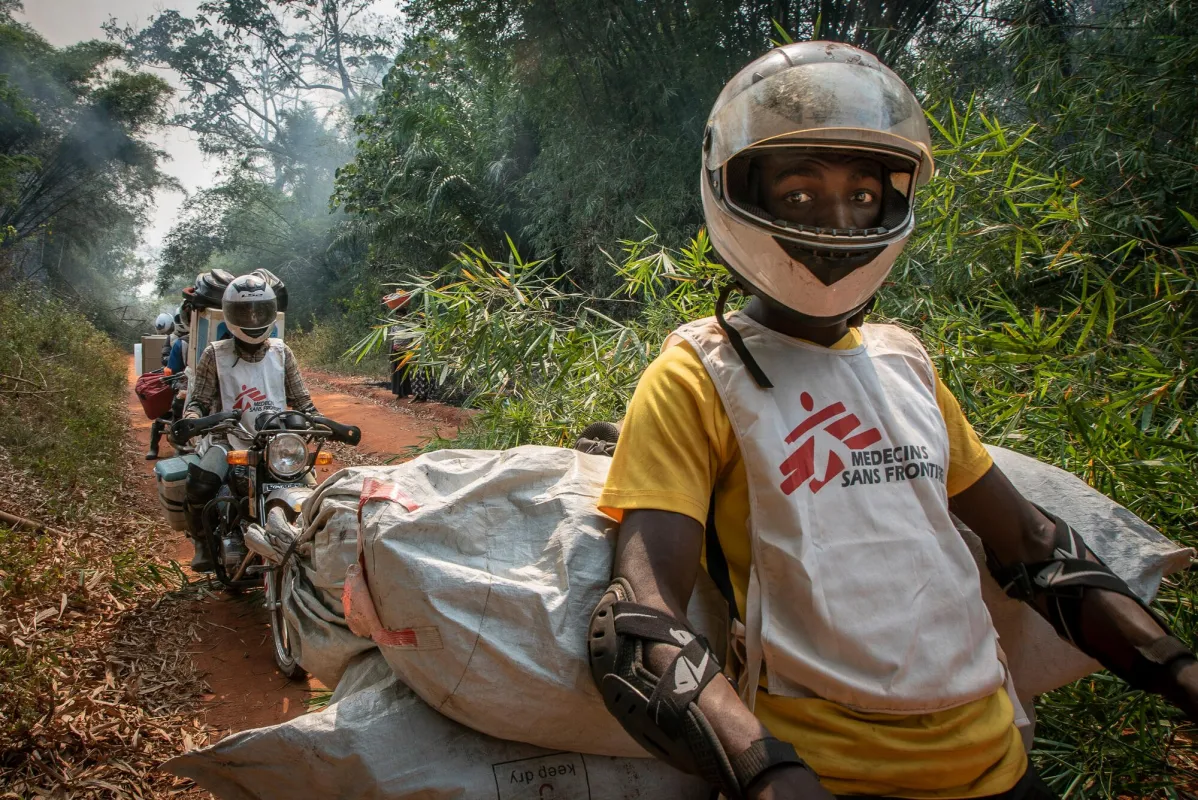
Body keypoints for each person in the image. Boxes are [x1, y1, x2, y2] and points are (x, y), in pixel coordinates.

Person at [587, 42, 1197, 800]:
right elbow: (639, 620)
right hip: (828, 775)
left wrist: (1178, 671)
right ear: (736, 190)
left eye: (864, 196)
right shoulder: (697, 374)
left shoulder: (906, 363)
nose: (839, 220)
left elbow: (1037, 551)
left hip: (998, 761)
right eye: (800, 195)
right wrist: (768, 771)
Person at [178, 274, 317, 572]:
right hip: (228, 439)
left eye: (259, 311)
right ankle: (203, 542)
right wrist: (193, 421)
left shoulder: (282, 352)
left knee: (314, 492)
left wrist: (314, 418)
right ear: (229, 314)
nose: (252, 319)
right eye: (244, 312)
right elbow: (199, 401)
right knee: (201, 483)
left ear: (270, 312)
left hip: (278, 442)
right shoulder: (215, 353)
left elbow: (302, 400)